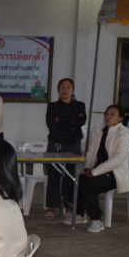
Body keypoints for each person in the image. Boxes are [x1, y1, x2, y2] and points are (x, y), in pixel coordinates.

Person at [63, 105, 129, 233]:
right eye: (107, 114)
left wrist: (94, 172)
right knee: (76, 181)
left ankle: (96, 220)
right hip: (97, 171)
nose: (108, 117)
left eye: (112, 114)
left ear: (121, 118)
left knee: (89, 185)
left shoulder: (124, 134)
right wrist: (87, 167)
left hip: (115, 174)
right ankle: (80, 214)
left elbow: (118, 159)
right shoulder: (100, 131)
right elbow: (91, 154)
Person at [44, 78, 87, 220]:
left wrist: (60, 120)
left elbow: (81, 122)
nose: (65, 89)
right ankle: (51, 207)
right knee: (53, 175)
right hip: (56, 143)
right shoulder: (52, 106)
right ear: (58, 89)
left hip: (73, 143)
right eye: (62, 86)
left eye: (69, 86)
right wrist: (71, 121)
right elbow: (51, 125)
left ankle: (69, 207)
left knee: (71, 176)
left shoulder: (79, 105)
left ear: (73, 90)